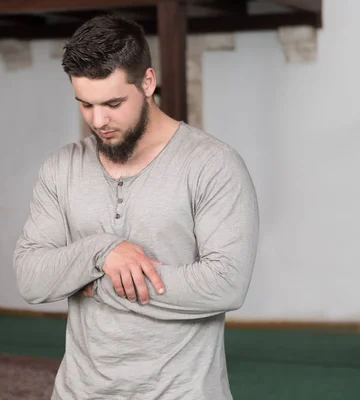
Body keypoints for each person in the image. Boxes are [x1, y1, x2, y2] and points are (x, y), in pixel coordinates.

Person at [13, 13, 259, 400]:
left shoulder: (212, 164)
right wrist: (102, 251)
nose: (99, 120)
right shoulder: (60, 167)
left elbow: (225, 284)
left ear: (147, 82)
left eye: (113, 103)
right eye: (85, 105)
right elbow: (30, 278)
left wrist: (95, 284)